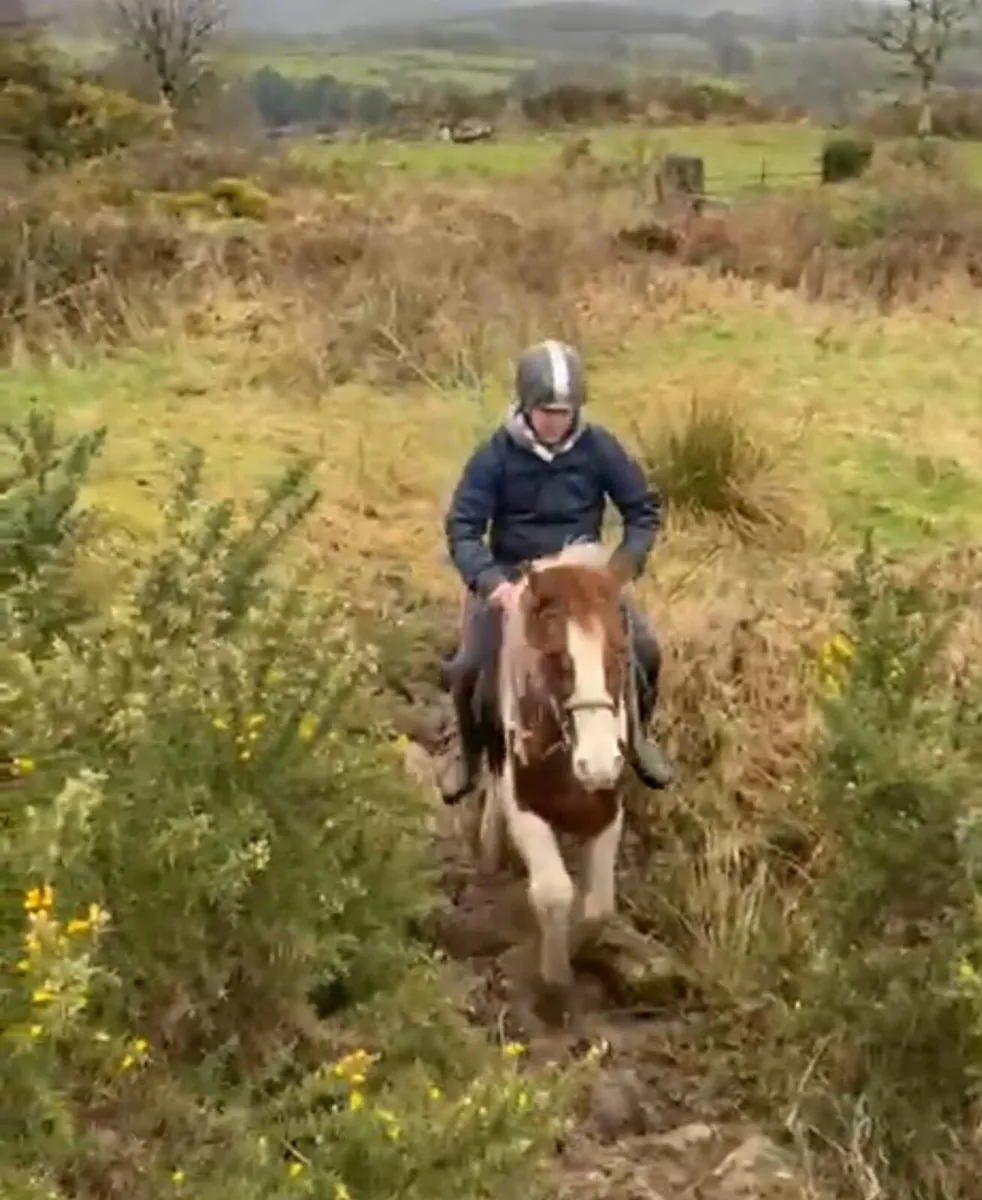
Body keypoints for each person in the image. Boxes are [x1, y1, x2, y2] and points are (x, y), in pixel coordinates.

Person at [439, 338, 674, 805]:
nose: (556, 421)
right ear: (526, 407)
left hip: (585, 579)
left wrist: (619, 570)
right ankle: (468, 757)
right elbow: (464, 527)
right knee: (467, 668)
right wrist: (493, 584)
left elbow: (641, 513)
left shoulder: (600, 448)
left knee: (644, 648)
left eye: (565, 412)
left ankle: (641, 739)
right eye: (547, 411)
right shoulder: (495, 456)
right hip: (517, 579)